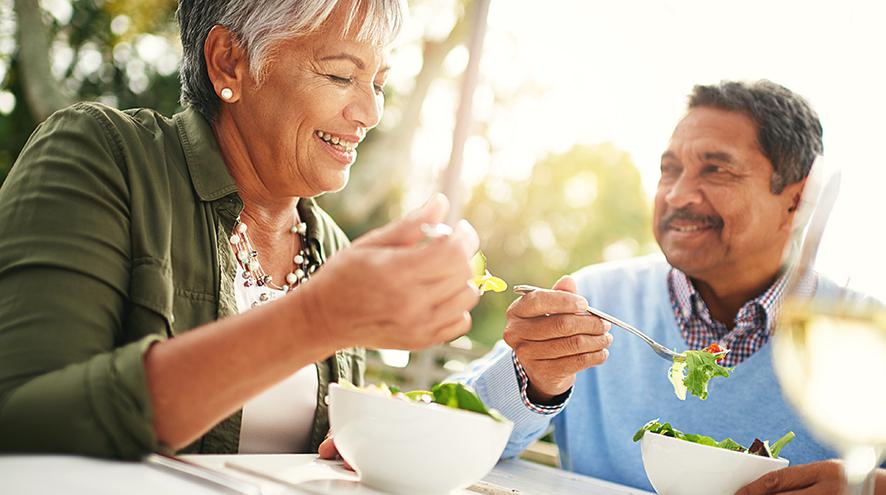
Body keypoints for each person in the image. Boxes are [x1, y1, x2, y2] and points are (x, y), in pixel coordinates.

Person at [0, 0, 481, 459]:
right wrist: (314, 319)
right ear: (229, 62)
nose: (370, 113)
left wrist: (357, 440)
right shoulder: (105, 158)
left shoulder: (333, 249)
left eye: (377, 83)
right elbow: (22, 417)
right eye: (340, 75)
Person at [450, 80, 886, 494]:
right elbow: (451, 429)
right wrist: (534, 380)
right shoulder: (592, 301)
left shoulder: (865, 334)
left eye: (716, 170)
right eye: (669, 169)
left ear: (798, 198)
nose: (677, 195)